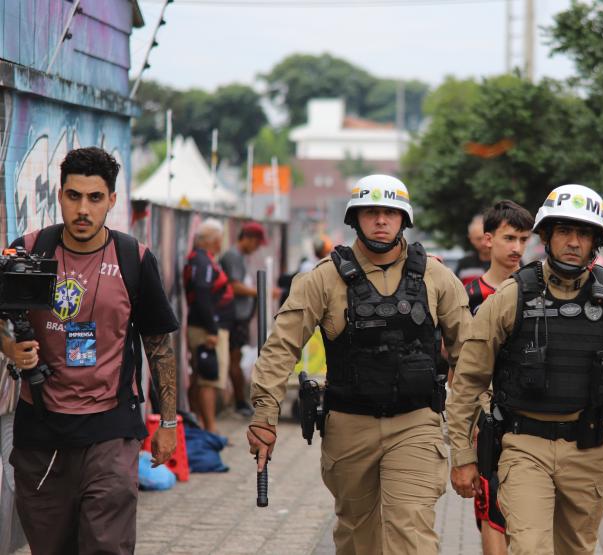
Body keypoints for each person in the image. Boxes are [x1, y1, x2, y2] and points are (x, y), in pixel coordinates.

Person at [247, 174, 471, 554]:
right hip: (349, 426)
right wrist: (264, 416)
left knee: (412, 532)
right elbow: (280, 347)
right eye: (371, 212)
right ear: (355, 219)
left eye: (390, 212)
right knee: (356, 535)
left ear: (404, 220)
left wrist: (472, 430)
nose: (381, 220)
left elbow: (471, 356)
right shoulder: (323, 278)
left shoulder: (436, 277)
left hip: (416, 423)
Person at [448, 184, 603, 554]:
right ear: (547, 236)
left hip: (589, 449)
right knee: (530, 548)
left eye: (583, 233)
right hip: (523, 446)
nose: (573, 242)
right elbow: (469, 379)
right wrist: (462, 456)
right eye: (564, 230)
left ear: (595, 242)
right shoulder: (512, 296)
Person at [2, 147, 179, 554]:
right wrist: (11, 347)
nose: (83, 209)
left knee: (107, 544)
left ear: (111, 200)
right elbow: (2, 318)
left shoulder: (133, 259)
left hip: (110, 429)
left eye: (95, 198)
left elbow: (159, 346)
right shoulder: (28, 251)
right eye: (74, 196)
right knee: (51, 546)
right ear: (59, 195)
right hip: (41, 428)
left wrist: (168, 423)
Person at [463, 200, 533, 555]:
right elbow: (458, 369)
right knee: (492, 512)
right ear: (488, 239)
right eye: (509, 238)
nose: (517, 247)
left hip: (532, 417)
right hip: (487, 423)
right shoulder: (470, 296)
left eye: (523, 239)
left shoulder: (537, 290)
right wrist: (465, 429)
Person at [184, 218, 234, 433]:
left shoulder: (202, 259)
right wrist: (212, 329)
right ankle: (210, 430)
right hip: (207, 329)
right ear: (210, 240)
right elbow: (202, 294)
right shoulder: (202, 261)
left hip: (206, 326)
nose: (220, 243)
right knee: (209, 379)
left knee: (202, 376)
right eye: (218, 239)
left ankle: (202, 426)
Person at [219, 221, 269, 417]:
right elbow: (234, 286)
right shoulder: (233, 256)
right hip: (234, 317)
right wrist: (259, 292)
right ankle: (239, 401)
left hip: (239, 317)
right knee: (234, 358)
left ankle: (239, 400)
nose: (256, 248)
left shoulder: (240, 257)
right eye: (256, 243)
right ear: (247, 238)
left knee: (236, 358)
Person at [456, 214, 491, 285]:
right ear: (471, 239)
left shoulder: (506, 261)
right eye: (479, 239)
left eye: (486, 238)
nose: (483, 242)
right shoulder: (464, 264)